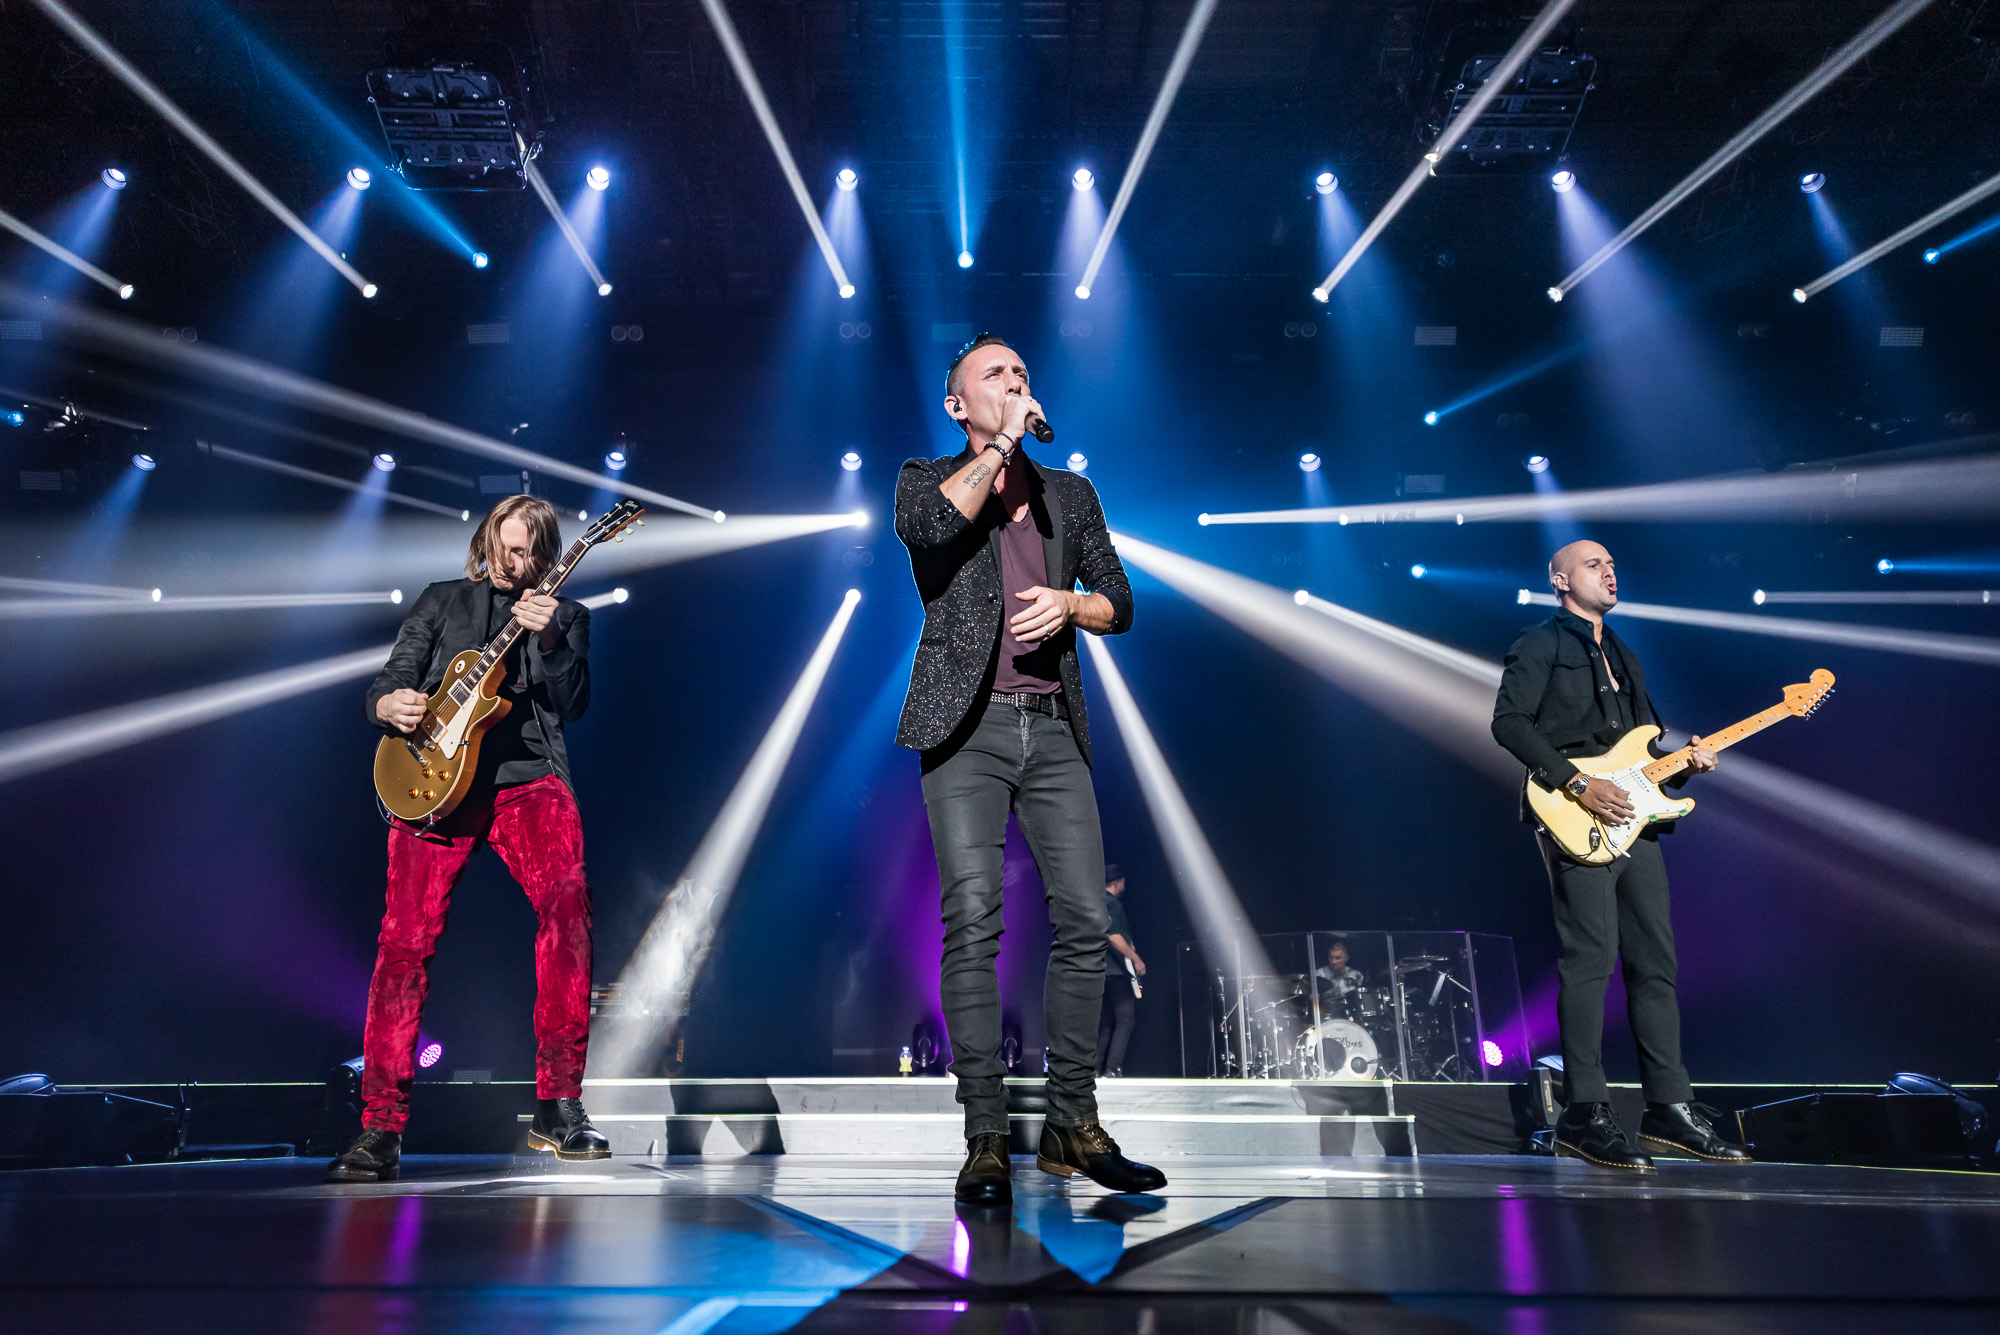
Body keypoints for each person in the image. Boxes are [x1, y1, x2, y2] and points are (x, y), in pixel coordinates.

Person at [895, 333, 1166, 1204]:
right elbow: (931, 529)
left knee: (1087, 918)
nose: (1015, 381)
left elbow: (1121, 601)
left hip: (1052, 728)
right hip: (964, 728)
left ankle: (1071, 1124)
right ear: (958, 405)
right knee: (973, 921)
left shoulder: (1068, 495)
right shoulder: (924, 479)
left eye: (1021, 372)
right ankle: (984, 1135)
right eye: (995, 375)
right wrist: (1004, 443)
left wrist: (1072, 603)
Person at [326, 495, 609, 1183]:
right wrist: (386, 704)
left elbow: (573, 704)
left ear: (546, 555)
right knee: (404, 942)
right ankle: (380, 1128)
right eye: (503, 546)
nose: (511, 561)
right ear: (486, 541)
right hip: (433, 783)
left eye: (525, 550)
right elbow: (393, 677)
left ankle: (558, 1105)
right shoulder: (441, 600)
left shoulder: (566, 615)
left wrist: (549, 639)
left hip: (525, 779)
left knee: (567, 908)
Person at [1491, 539, 1750, 1173]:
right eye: (1593, 565)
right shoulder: (1540, 642)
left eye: (1611, 564)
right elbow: (1509, 722)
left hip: (1636, 821)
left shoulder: (1625, 653)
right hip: (1575, 813)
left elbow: (1645, 754)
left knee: (1655, 962)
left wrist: (1685, 765)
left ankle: (1668, 1110)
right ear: (1560, 580)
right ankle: (1584, 1113)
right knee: (1590, 959)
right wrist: (1577, 782)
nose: (1609, 572)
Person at [1097, 864, 1144, 1077]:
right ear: (1116, 883)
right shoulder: (1114, 904)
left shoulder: (1097, 904)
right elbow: (1113, 936)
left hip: (1099, 972)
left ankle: (1094, 1069)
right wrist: (1136, 959)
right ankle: (1113, 1068)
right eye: (1123, 882)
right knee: (1125, 1019)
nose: (1124, 886)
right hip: (1116, 972)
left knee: (1105, 1023)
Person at [1312, 939, 1366, 1016]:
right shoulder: (1318, 974)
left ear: (1346, 958)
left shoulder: (1356, 974)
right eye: (1331, 957)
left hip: (1350, 1015)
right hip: (1326, 1016)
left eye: (1337, 958)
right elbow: (1313, 1002)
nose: (1333, 961)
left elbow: (1362, 1000)